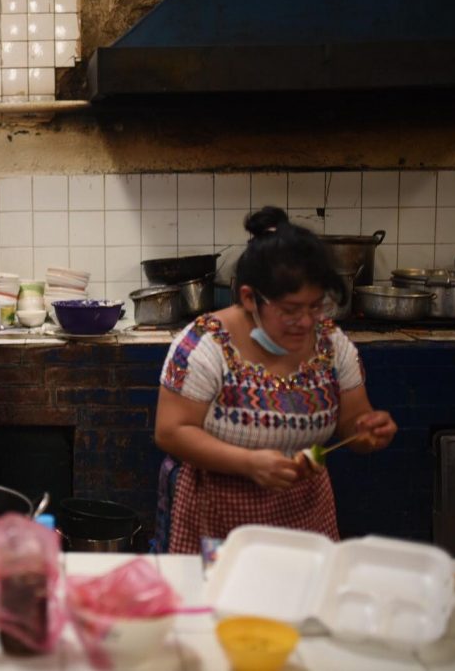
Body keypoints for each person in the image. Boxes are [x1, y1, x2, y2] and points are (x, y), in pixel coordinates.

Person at [153, 206, 397, 553]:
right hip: (219, 518)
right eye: (290, 310)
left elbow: (353, 426)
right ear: (251, 298)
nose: (305, 322)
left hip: (306, 516)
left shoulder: (331, 344)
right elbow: (171, 431)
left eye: (315, 306)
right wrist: (249, 463)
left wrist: (369, 430)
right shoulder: (205, 344)